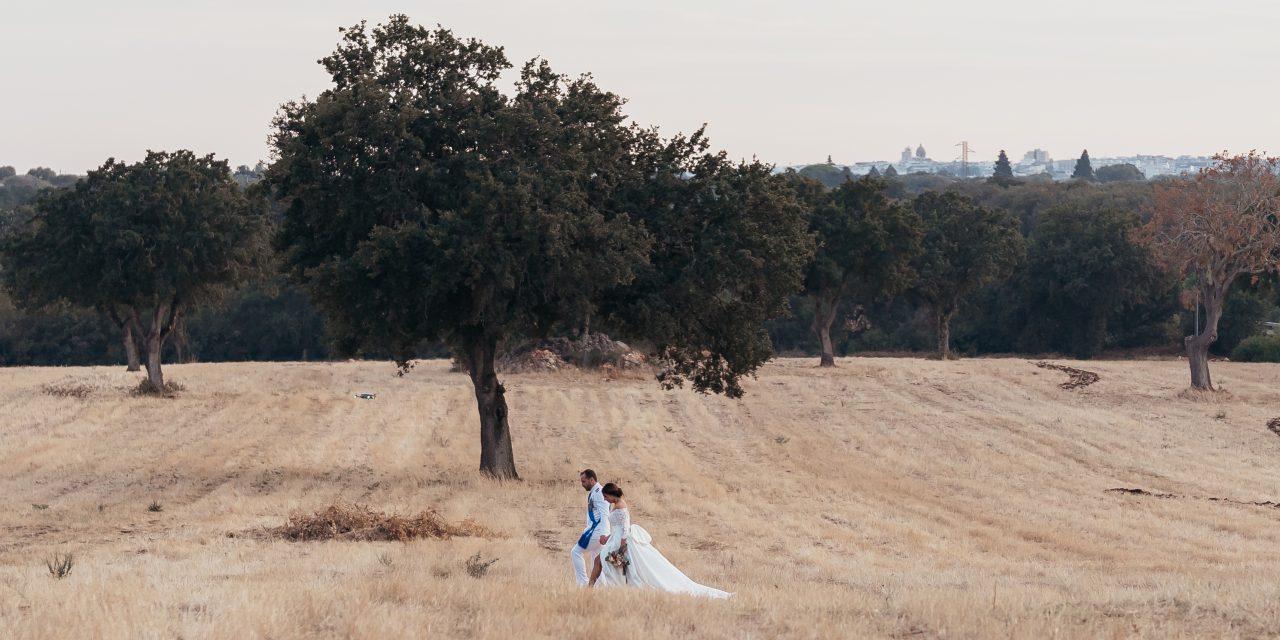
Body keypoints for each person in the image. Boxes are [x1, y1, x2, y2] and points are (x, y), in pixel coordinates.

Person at [591, 482, 731, 599]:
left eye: (606, 496)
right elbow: (617, 528)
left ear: (612, 495)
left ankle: (598, 589)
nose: (605, 499)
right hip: (615, 539)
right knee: (608, 562)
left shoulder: (621, 506)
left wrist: (622, 546)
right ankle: (593, 588)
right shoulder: (615, 505)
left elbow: (625, 528)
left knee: (614, 564)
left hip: (621, 542)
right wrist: (607, 538)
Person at [570, 469, 611, 587]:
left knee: (576, 552)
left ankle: (582, 583)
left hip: (597, 532)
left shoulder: (599, 493)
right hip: (596, 530)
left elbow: (604, 515)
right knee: (596, 559)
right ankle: (601, 587)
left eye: (584, 481)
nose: (582, 484)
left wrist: (604, 534)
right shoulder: (595, 491)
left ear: (592, 480)